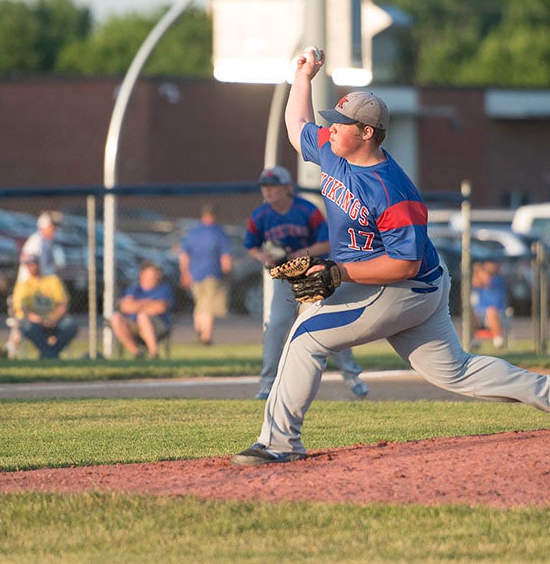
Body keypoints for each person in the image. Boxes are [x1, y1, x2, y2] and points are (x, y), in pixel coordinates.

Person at [232, 47, 550, 466]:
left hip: (403, 286)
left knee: (306, 337)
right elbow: (296, 126)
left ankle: (280, 443)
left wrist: (339, 272)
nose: (330, 129)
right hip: (405, 282)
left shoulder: (393, 190)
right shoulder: (334, 151)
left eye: (341, 124)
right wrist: (304, 76)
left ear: (368, 133)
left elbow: (404, 264)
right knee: (454, 371)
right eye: (332, 122)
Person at [244, 165, 368, 400]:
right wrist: (264, 257)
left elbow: (326, 243)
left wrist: (300, 254)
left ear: (287, 188)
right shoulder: (260, 215)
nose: (268, 191)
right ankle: (268, 383)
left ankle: (353, 376)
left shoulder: (306, 210)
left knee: (330, 323)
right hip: (285, 277)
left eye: (273, 187)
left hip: (314, 275)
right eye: (265, 187)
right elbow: (251, 246)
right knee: (276, 326)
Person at [179, 204, 232, 346]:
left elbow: (184, 255)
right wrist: (227, 273)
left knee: (199, 304)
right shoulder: (218, 232)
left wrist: (184, 273)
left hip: (195, 274)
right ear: (214, 216)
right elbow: (225, 257)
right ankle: (206, 337)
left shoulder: (192, 232)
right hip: (213, 273)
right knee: (208, 306)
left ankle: (199, 330)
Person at [11, 252, 78, 358]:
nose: (31, 267)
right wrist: (36, 319)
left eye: (33, 264)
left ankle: (47, 354)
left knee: (70, 325)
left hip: (54, 320)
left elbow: (63, 303)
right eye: (28, 265)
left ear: (39, 264)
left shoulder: (52, 280)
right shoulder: (24, 285)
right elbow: (21, 307)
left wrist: (54, 319)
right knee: (28, 327)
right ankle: (51, 355)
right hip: (33, 322)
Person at [110, 261, 173, 359]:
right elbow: (125, 307)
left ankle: (154, 354)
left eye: (157, 274)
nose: (156, 277)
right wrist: (147, 302)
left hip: (158, 326)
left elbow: (160, 308)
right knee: (116, 318)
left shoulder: (163, 289)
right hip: (134, 325)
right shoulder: (134, 289)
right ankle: (137, 353)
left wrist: (135, 306)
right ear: (142, 275)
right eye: (152, 274)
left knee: (142, 316)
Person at [17, 212, 65, 283]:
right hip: (29, 281)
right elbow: (27, 260)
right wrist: (37, 276)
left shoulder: (49, 242)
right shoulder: (35, 241)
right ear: (43, 228)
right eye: (51, 227)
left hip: (46, 280)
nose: (54, 230)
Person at [471, 260, 509, 349]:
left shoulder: (498, 278)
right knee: (471, 313)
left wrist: (479, 270)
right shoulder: (478, 278)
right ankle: (474, 340)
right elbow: (476, 283)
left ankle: (498, 340)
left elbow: (487, 281)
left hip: (498, 312)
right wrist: (477, 271)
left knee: (491, 311)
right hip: (480, 312)